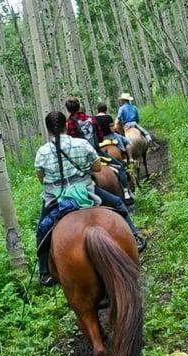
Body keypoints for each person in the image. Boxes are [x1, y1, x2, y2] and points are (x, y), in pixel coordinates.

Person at [35, 111, 146, 286]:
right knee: (117, 203)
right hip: (85, 191)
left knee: (41, 229)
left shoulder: (42, 152)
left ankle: (44, 272)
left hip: (56, 197)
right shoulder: (81, 144)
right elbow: (97, 168)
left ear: (48, 130)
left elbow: (42, 179)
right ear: (66, 126)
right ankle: (134, 236)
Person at [65, 96, 133, 203]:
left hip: (79, 159)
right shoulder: (91, 119)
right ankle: (126, 192)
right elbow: (100, 136)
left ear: (68, 110)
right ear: (79, 106)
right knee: (119, 167)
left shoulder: (68, 124)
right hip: (96, 152)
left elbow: (69, 141)